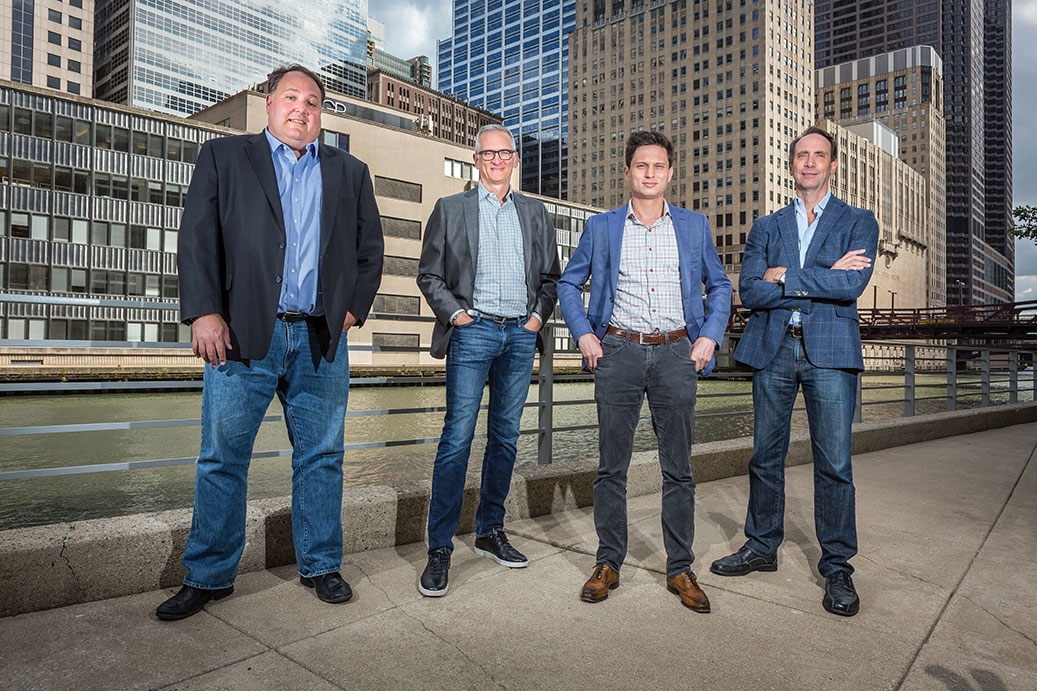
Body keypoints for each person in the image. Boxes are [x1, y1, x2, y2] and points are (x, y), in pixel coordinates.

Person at [156, 64, 384, 620]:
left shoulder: (350, 172)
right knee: (222, 457)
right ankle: (208, 575)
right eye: (290, 97)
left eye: (312, 101)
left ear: (321, 114)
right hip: (239, 333)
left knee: (322, 455)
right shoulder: (224, 157)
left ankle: (322, 565)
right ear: (268, 103)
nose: (301, 109)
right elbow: (197, 240)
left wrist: (351, 310)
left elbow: (369, 251)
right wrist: (204, 313)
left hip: (320, 337)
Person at [557, 131, 732, 612]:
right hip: (618, 352)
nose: (650, 173)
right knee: (611, 466)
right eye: (641, 165)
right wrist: (584, 334)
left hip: (678, 352)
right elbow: (569, 285)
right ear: (628, 171)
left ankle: (680, 568)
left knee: (678, 469)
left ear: (670, 173)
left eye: (658, 166)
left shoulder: (694, 227)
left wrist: (710, 336)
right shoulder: (603, 227)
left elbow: (718, 287)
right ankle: (608, 561)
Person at [710, 126, 878, 617]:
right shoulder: (767, 226)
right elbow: (752, 292)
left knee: (835, 463)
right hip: (775, 349)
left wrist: (784, 275)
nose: (809, 163)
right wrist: (820, 276)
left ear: (832, 165)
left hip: (829, 350)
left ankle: (837, 566)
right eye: (801, 155)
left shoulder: (858, 220)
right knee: (765, 455)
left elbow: (852, 286)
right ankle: (761, 546)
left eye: (818, 155)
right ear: (791, 165)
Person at [415, 124, 560, 597]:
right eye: (487, 153)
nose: (496, 160)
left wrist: (537, 319)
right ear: (475, 159)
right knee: (457, 438)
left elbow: (550, 278)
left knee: (505, 438)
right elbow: (429, 274)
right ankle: (440, 549)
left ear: (515, 159)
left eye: (505, 153)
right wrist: (456, 315)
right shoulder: (450, 209)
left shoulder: (536, 213)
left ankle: (489, 531)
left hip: (520, 334)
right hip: (473, 332)